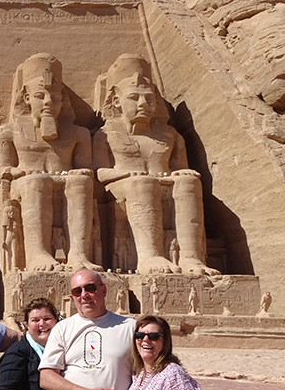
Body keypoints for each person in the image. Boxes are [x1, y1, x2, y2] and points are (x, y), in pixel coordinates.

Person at [92, 54, 217, 276]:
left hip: (162, 183)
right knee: (143, 183)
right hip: (122, 189)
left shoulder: (169, 134)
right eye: (134, 98)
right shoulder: (107, 134)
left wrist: (179, 174)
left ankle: (190, 257)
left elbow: (181, 168)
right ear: (116, 102)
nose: (144, 105)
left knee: (189, 182)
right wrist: (127, 174)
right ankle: (149, 256)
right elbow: (99, 172)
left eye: (149, 99)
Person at [0, 53, 101, 272]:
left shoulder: (78, 133)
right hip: (26, 185)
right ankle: (37, 254)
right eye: (40, 96)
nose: (48, 103)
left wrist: (78, 173)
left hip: (65, 181)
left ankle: (78, 254)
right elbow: (0, 170)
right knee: (37, 181)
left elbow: (86, 169)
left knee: (81, 183)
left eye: (55, 97)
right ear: (26, 98)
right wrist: (21, 171)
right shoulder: (8, 132)